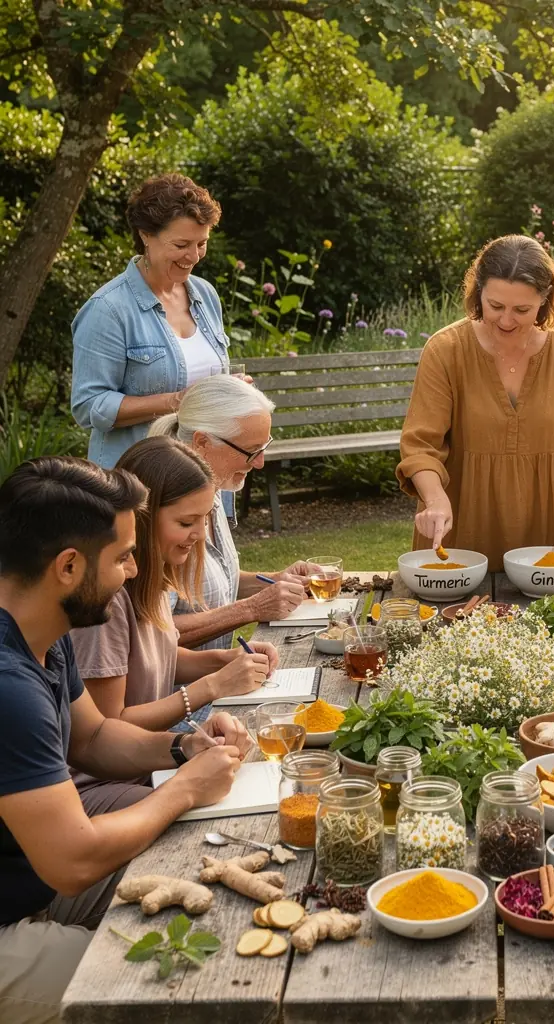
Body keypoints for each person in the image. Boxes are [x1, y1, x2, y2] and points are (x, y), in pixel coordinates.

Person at [0, 456, 250, 1024]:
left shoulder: (41, 630)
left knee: (215, 867)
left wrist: (183, 748)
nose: (135, 572)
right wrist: (183, 790)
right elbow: (72, 859)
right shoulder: (8, 687)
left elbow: (93, 738)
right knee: (180, 971)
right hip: (17, 912)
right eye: (121, 557)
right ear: (68, 566)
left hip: (30, 880)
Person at [397, 234, 554, 569]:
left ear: (545, 299)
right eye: (495, 306)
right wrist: (435, 499)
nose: (506, 320)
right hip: (460, 536)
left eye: (522, 309)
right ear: (478, 292)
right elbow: (420, 446)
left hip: (550, 541)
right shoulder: (446, 350)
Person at [70, 436, 278, 762]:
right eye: (186, 522)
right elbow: (106, 729)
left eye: (205, 519)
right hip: (117, 777)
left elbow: (159, 658)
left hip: (153, 761)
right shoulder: (107, 602)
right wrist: (211, 686)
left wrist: (226, 659)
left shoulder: (155, 579)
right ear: (143, 518)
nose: (201, 534)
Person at [71, 173, 228, 469]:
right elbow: (88, 406)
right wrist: (177, 401)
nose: (194, 256)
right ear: (145, 235)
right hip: (137, 482)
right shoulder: (108, 309)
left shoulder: (206, 295)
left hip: (206, 472)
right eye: (181, 244)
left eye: (202, 243)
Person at [149, 375, 317, 649]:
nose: (260, 463)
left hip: (219, 679)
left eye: (263, 448)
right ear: (202, 442)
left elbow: (213, 585)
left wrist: (275, 581)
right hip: (182, 689)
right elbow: (155, 631)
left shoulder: (213, 493)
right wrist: (250, 609)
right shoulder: (164, 508)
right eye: (251, 451)